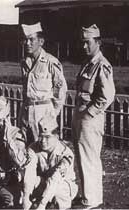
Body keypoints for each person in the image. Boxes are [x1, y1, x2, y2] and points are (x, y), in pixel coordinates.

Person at [72, 24, 115, 209]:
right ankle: (87, 196)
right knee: (82, 157)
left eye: (87, 43)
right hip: (81, 116)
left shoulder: (102, 65)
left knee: (89, 158)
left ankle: (92, 200)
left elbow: (107, 96)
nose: (84, 47)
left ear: (98, 42)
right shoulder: (87, 63)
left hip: (90, 118)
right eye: (82, 43)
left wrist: (89, 113)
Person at [19, 22, 67, 144]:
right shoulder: (25, 63)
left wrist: (52, 115)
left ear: (41, 41)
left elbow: (60, 91)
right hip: (26, 111)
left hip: (43, 111)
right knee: (26, 149)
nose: (27, 43)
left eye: (31, 40)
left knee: (44, 149)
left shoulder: (51, 62)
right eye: (25, 40)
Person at [22, 115, 78, 210]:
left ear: (56, 136)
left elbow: (55, 179)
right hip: (44, 182)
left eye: (47, 137)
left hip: (62, 186)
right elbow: (29, 172)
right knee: (29, 181)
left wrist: (42, 205)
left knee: (57, 189)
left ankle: (61, 207)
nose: (43, 141)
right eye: (40, 136)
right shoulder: (33, 148)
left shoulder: (65, 153)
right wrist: (26, 197)